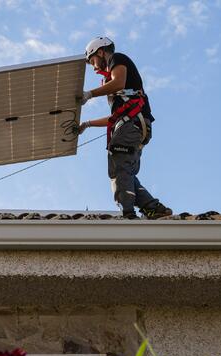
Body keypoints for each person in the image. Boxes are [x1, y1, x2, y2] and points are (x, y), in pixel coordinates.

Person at [77, 36, 172, 220]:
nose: (94, 67)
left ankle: (128, 213)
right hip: (134, 125)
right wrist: (87, 124)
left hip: (132, 125)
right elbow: (115, 118)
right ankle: (153, 208)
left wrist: (89, 94)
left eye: (93, 61)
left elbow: (119, 83)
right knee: (124, 170)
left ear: (101, 52)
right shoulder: (112, 85)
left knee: (118, 166)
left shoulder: (117, 59)